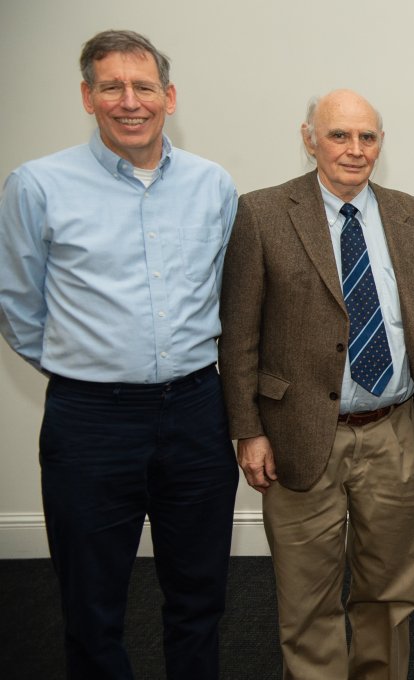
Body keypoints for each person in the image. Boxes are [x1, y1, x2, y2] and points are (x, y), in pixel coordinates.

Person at [0, 30, 238, 679]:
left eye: (143, 86)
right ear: (87, 97)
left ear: (169, 96)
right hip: (90, 422)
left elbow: (225, 293)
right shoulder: (37, 185)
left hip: (196, 413)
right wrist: (88, 364)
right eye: (112, 87)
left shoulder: (213, 185)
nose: (130, 101)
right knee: (91, 605)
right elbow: (18, 307)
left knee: (200, 596)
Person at [217, 89, 414, 680]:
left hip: (396, 433)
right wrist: (248, 430)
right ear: (309, 139)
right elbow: (238, 334)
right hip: (297, 434)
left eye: (367, 137)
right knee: (307, 602)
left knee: (390, 596)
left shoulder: (410, 215)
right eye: (339, 135)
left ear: (381, 143)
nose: (355, 149)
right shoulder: (263, 213)